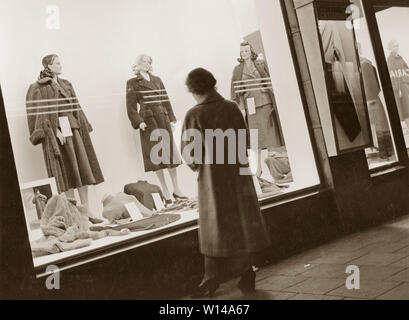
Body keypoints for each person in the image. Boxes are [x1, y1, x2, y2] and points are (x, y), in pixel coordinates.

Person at [181, 68, 271, 297]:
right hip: (238, 176)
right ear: (213, 84)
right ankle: (246, 271)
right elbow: (245, 139)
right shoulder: (231, 107)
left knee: (214, 228)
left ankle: (210, 278)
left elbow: (191, 155)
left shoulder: (195, 114)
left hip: (213, 181)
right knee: (241, 222)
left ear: (192, 89)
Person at [26, 54, 104, 223]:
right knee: (68, 173)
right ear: (48, 66)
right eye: (57, 63)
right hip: (59, 135)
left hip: (74, 129)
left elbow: (76, 106)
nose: (61, 65)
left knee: (83, 170)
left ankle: (86, 210)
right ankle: (75, 213)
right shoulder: (39, 87)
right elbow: (41, 114)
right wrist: (54, 131)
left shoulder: (66, 84)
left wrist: (83, 127)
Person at [126, 54, 187, 204]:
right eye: (144, 62)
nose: (147, 64)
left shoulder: (157, 80)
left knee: (171, 156)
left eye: (149, 62)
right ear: (138, 64)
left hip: (162, 118)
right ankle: (165, 192)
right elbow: (131, 106)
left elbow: (165, 99)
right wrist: (138, 122)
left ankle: (176, 189)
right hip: (148, 122)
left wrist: (171, 119)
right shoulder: (132, 82)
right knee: (157, 157)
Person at [231, 41, 284, 183]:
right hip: (250, 105)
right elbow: (236, 91)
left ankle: (275, 168)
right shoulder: (237, 70)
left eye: (246, 51)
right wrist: (241, 109)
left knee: (270, 134)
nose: (244, 54)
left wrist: (275, 99)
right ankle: (258, 168)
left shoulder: (260, 64)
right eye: (242, 52)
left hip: (265, 101)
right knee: (255, 138)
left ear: (251, 51)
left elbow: (269, 81)